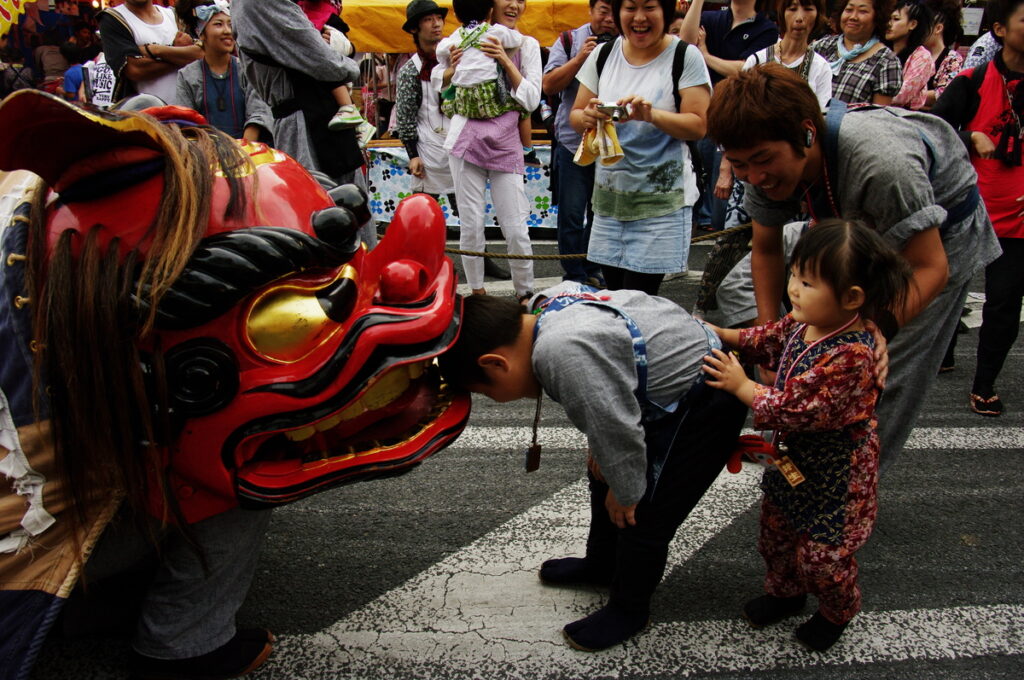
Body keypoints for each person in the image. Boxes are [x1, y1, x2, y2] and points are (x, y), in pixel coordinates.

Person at [707, 64, 1002, 472]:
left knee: (879, 370)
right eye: (739, 165)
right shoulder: (765, 171)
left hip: (932, 239)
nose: (754, 177)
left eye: (762, 160)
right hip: (844, 226)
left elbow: (932, 266)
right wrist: (772, 342)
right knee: (739, 285)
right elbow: (767, 251)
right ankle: (797, 434)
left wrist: (874, 330)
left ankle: (847, 491)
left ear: (807, 133)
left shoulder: (881, 163)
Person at [438, 282, 747, 651]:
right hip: (665, 382)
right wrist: (609, 465)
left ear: (495, 363)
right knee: (604, 470)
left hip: (705, 397)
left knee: (644, 511)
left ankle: (629, 609)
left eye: (486, 392)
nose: (494, 399)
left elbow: (616, 426)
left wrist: (627, 490)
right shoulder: (541, 306)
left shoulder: (562, 351)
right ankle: (603, 564)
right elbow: (606, 408)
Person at [702, 220, 912, 652]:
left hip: (838, 477)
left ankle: (837, 609)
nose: (793, 288)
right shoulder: (805, 323)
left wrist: (743, 386)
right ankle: (785, 593)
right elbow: (768, 337)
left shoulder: (851, 355)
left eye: (807, 281)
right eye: (795, 275)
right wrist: (725, 336)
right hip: (792, 462)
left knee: (824, 556)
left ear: (852, 298)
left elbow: (798, 409)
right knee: (776, 534)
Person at [570, 0, 712, 295]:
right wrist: (588, 116)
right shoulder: (603, 53)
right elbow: (576, 114)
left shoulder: (685, 57)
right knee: (615, 298)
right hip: (610, 202)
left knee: (638, 300)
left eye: (649, 7)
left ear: (666, 11)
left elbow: (699, 125)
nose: (639, 18)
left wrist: (652, 115)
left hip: (661, 205)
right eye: (630, 7)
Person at [933, 0, 1024, 417]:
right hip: (970, 206)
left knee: (1003, 302)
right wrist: (970, 136)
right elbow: (933, 129)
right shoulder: (973, 80)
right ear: (1000, 30)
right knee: (949, 284)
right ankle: (944, 350)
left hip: (1020, 218)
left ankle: (984, 383)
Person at [433, 0, 538, 300]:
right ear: (491, 7)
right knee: (471, 224)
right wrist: (453, 69)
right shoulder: (461, 39)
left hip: (506, 142)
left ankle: (525, 295)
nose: (514, 5)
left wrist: (505, 61)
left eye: (521, 0)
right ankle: (477, 293)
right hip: (464, 139)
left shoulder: (525, 45)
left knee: (516, 228)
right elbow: (437, 82)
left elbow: (531, 100)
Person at [714, 0, 831, 232]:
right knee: (739, 239)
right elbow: (733, 123)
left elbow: (819, 122)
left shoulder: (820, 67)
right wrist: (726, 170)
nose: (799, 17)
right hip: (750, 164)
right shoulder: (757, 60)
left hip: (791, 169)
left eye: (808, 9)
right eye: (792, 9)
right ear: (781, 14)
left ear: (818, 16)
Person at [679, 0, 779, 232]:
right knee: (692, 181)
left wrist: (704, 54)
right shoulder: (714, 18)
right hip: (701, 112)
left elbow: (746, 68)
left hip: (735, 117)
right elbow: (685, 42)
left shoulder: (766, 28)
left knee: (720, 194)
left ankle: (719, 240)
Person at [542, 0, 617, 285]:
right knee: (572, 214)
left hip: (611, 144)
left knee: (601, 212)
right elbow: (548, 85)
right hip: (573, 141)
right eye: (603, 10)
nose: (609, 18)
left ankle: (591, 267)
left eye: (614, 11)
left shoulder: (627, 44)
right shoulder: (569, 39)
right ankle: (573, 274)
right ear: (591, 10)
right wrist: (580, 58)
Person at [174, 1, 273, 142]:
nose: (227, 31)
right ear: (201, 33)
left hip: (250, 153)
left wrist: (243, 149)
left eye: (230, 25)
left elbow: (259, 113)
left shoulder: (247, 69)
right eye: (218, 24)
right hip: (207, 155)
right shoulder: (187, 76)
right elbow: (186, 124)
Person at [395, 0, 456, 202]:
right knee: (423, 210)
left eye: (439, 18)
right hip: (427, 150)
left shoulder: (456, 60)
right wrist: (412, 154)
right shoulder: (411, 69)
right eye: (429, 20)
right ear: (415, 28)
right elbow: (405, 116)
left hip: (458, 146)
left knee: (469, 213)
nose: (436, 24)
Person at [98, 0, 203, 103]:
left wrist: (155, 50)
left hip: (189, 110)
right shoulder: (113, 19)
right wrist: (181, 55)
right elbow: (135, 70)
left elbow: (202, 53)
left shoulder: (174, 15)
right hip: (145, 114)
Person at [436, 0, 525, 121]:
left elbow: (440, 50)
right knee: (522, 109)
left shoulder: (455, 37)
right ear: (490, 12)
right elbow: (517, 39)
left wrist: (449, 59)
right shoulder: (495, 32)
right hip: (487, 95)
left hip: (463, 96)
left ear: (456, 16)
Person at [812, 0, 902, 105]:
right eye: (849, 10)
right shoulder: (822, 46)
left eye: (862, 11)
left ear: (877, 18)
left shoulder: (887, 61)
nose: (853, 17)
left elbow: (878, 116)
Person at [886, 0, 936, 109]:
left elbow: (903, 95)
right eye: (888, 19)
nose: (889, 23)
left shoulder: (922, 56)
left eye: (896, 19)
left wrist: (873, 97)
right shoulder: (880, 50)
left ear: (912, 24)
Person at [922, 0, 964, 107]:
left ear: (938, 28)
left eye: (923, 25)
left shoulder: (952, 59)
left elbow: (943, 93)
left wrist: (907, 96)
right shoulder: (914, 53)